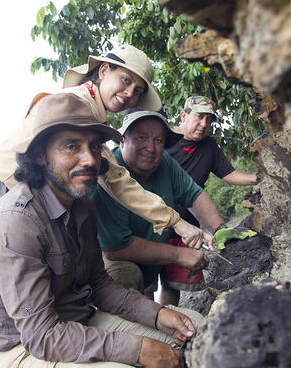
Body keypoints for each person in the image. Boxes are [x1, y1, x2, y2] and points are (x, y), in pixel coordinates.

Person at [0, 93, 204, 368]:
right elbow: (41, 335)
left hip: (76, 320)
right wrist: (135, 349)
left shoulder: (82, 205)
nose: (90, 160)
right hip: (21, 346)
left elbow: (100, 285)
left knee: (194, 329)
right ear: (40, 156)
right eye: (71, 147)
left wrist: (157, 313)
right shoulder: (16, 220)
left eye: (94, 147)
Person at [0, 44, 208, 281]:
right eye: (126, 80)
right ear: (104, 71)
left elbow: (113, 178)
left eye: (138, 90)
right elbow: (117, 180)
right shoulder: (76, 105)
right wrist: (177, 222)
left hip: (14, 201)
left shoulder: (91, 112)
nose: (129, 93)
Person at [92, 109, 225, 305]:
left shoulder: (164, 163)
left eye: (158, 140)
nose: (151, 148)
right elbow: (115, 249)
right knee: (127, 274)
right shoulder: (105, 177)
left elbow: (193, 194)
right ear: (122, 140)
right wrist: (179, 255)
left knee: (156, 292)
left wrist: (221, 230)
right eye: (141, 138)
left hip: (152, 253)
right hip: (112, 266)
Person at [162, 95, 258, 305]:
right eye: (199, 117)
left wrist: (258, 179)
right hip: (154, 225)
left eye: (209, 119)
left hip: (187, 233)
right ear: (184, 116)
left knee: (173, 285)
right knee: (145, 283)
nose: (204, 124)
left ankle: (166, 328)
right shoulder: (163, 142)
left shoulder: (209, 147)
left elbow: (228, 174)